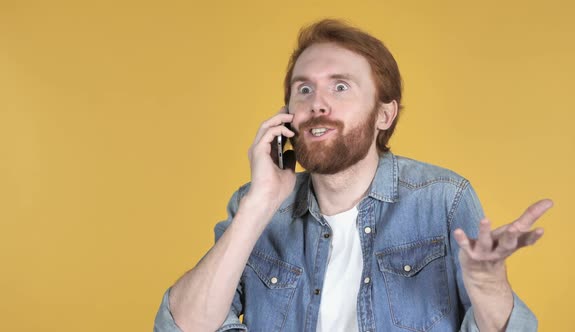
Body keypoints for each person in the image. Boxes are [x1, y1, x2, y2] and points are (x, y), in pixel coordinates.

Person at [154, 19, 552, 332]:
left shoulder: (443, 199)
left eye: (340, 86)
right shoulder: (254, 205)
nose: (318, 104)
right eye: (304, 90)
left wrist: (488, 285)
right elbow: (183, 326)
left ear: (384, 115)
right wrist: (260, 203)